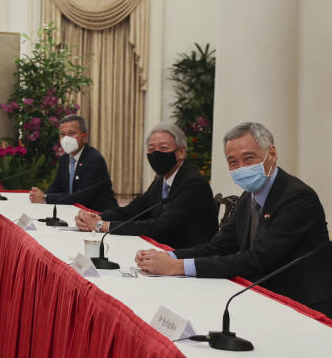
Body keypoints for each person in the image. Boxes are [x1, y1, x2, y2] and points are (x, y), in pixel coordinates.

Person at [136, 122, 332, 316]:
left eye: (249, 158)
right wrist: (166, 257)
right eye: (233, 162)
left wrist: (178, 268)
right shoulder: (249, 195)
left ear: (271, 153)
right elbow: (218, 247)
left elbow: (257, 259)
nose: (241, 168)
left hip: (302, 304)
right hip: (262, 296)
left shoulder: (297, 197)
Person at [75, 123, 216, 249]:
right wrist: (96, 218)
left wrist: (102, 226)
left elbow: (160, 228)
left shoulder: (193, 184)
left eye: (163, 148)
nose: (156, 153)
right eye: (151, 148)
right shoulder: (161, 180)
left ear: (181, 152)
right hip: (161, 249)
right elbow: (132, 211)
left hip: (187, 256)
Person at [28, 115, 117, 212]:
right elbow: (56, 188)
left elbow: (83, 197)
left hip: (101, 215)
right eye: (62, 134)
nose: (66, 139)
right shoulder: (64, 159)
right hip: (74, 212)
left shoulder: (94, 160)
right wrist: (38, 194)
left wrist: (45, 197)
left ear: (85, 137)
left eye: (71, 133)